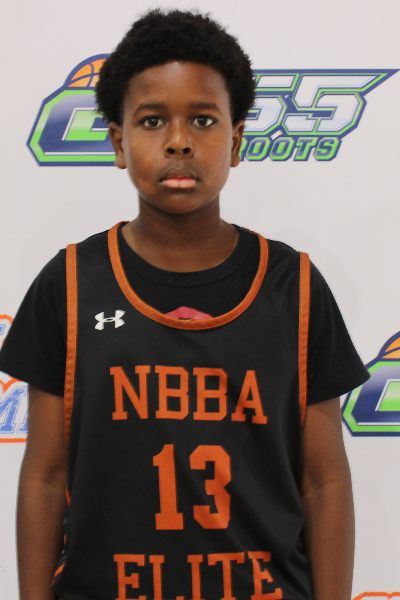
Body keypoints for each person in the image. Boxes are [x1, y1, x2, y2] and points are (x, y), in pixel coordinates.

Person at [0, 9, 369, 600]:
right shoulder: (69, 283)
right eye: (152, 121)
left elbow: (324, 482)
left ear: (236, 141)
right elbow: (44, 478)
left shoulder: (294, 287)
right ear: (118, 143)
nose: (178, 140)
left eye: (203, 119)